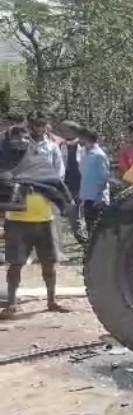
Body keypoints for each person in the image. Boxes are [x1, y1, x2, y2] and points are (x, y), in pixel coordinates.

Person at [3, 117, 75, 317]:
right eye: (17, 138)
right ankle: (11, 303)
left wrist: (66, 202)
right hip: (17, 222)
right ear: (9, 141)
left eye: (25, 138)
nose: (21, 142)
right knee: (16, 263)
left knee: (49, 263)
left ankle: (52, 300)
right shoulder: (4, 164)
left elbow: (55, 182)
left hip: (44, 219)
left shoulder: (40, 160)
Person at [77, 128, 111, 237]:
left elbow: (104, 178)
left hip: (98, 200)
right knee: (90, 230)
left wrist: (98, 197)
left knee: (99, 231)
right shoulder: (84, 154)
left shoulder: (99, 155)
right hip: (88, 198)